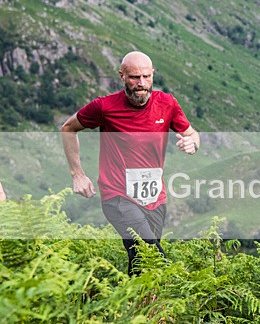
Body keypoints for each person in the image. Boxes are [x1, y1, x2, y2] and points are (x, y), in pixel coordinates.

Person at [61, 51, 199, 275]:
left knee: (141, 265)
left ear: (152, 74)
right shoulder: (105, 107)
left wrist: (193, 143)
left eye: (146, 76)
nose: (141, 83)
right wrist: (77, 174)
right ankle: (177, 289)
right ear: (122, 76)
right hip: (118, 196)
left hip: (155, 197)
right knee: (154, 257)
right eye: (134, 77)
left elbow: (192, 133)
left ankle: (130, 297)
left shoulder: (167, 103)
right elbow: (68, 128)